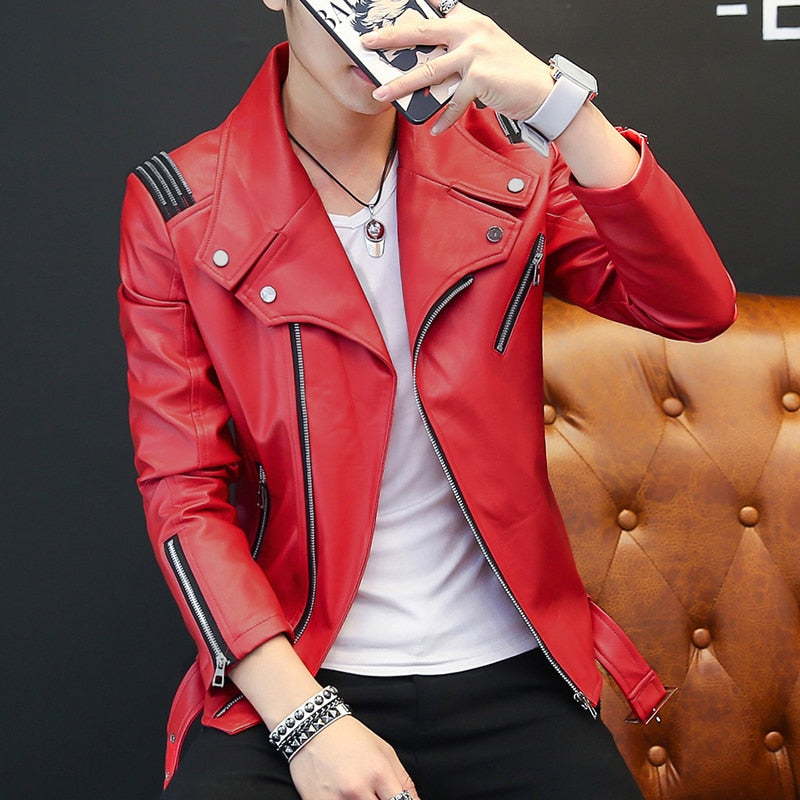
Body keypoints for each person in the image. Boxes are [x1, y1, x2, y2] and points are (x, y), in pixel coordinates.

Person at [118, 1, 737, 798]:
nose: (372, 27)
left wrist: (559, 107)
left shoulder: (509, 156)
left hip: (511, 668)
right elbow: (185, 493)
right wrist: (306, 720)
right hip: (297, 665)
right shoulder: (180, 204)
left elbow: (693, 306)